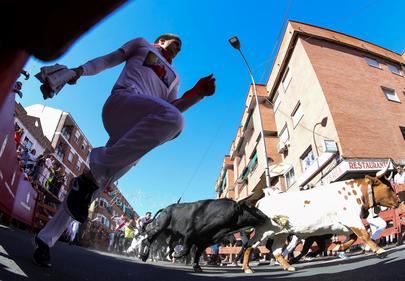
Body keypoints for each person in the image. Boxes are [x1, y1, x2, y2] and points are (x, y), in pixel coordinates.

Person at [33, 33, 216, 267]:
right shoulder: (142, 45)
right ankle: (93, 167)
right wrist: (79, 71)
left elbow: (171, 108)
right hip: (122, 103)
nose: (176, 50)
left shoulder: (175, 78)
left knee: (92, 189)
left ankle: (44, 240)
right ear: (160, 40)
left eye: (179, 49)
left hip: (136, 133)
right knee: (176, 121)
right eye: (174, 44)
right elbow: (108, 60)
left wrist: (196, 94)